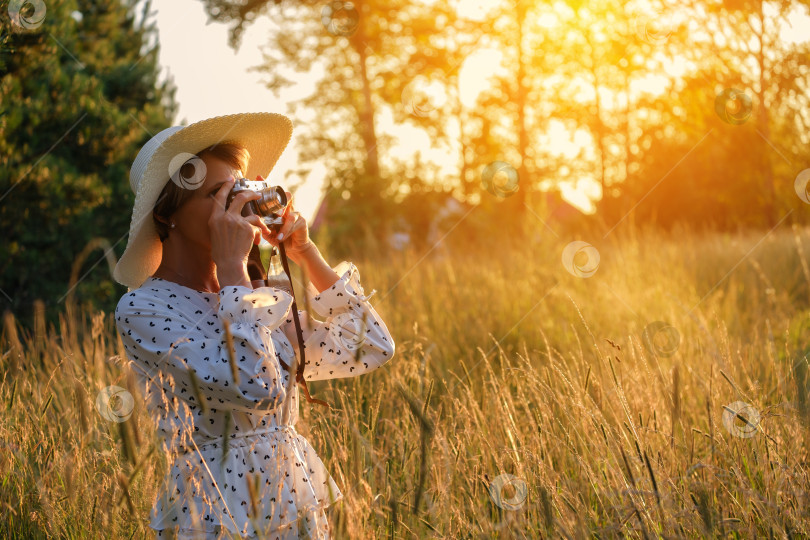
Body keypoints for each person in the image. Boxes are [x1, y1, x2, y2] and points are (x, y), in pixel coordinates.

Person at [112, 113, 396, 539]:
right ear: (168, 213)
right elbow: (256, 386)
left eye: (239, 190)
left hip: (292, 503)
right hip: (215, 512)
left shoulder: (255, 295)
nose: (237, 206)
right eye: (217, 194)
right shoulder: (144, 308)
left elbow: (371, 346)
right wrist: (233, 270)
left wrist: (307, 255)